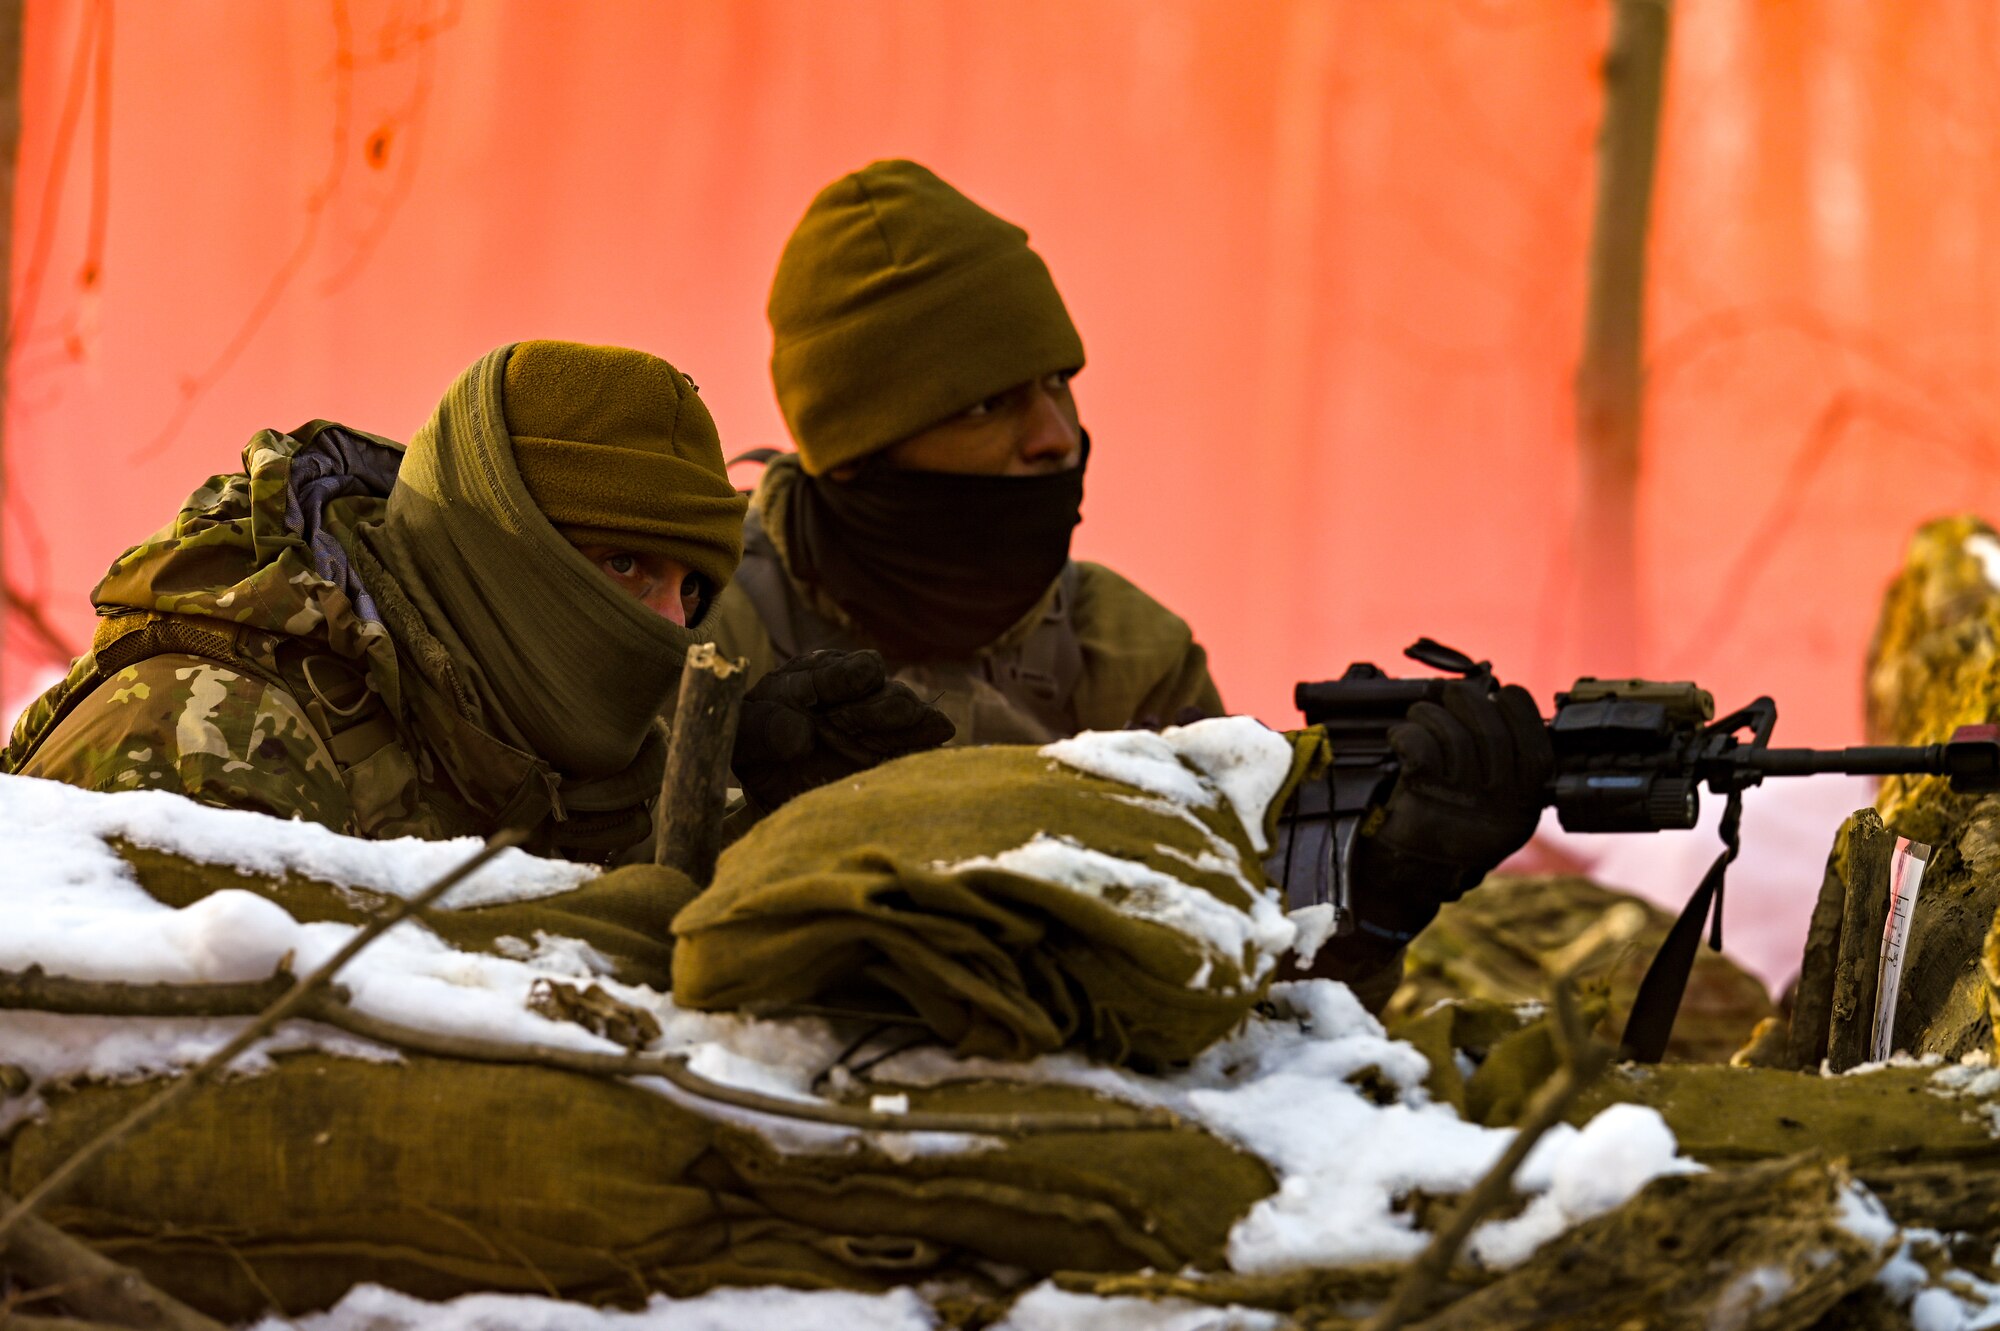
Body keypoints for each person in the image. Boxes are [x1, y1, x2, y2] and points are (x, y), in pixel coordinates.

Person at [3, 340, 947, 863]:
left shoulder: (538, 748)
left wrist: (756, 829)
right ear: (499, 548)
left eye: (689, 587)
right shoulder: (215, 726)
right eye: (625, 566)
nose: (668, 625)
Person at [708, 159, 1222, 745]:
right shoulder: (697, 623)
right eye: (986, 405)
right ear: (853, 449)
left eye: (1058, 380)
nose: (1056, 437)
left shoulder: (1134, 657)